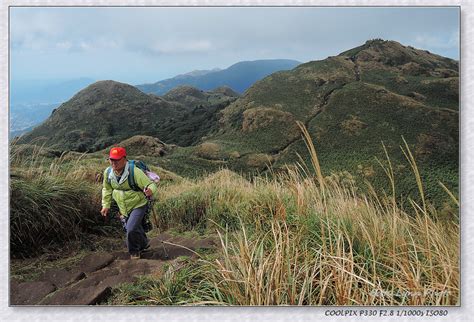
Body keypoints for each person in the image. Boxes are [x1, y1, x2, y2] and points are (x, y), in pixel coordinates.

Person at [100, 146, 158, 259]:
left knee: (130, 228)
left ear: (124, 159)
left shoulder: (134, 172)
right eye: (111, 159)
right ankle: (144, 244)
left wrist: (150, 190)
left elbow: (151, 184)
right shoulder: (108, 173)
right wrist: (105, 205)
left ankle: (134, 252)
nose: (114, 163)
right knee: (134, 227)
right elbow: (106, 189)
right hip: (123, 206)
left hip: (139, 204)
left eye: (117, 160)